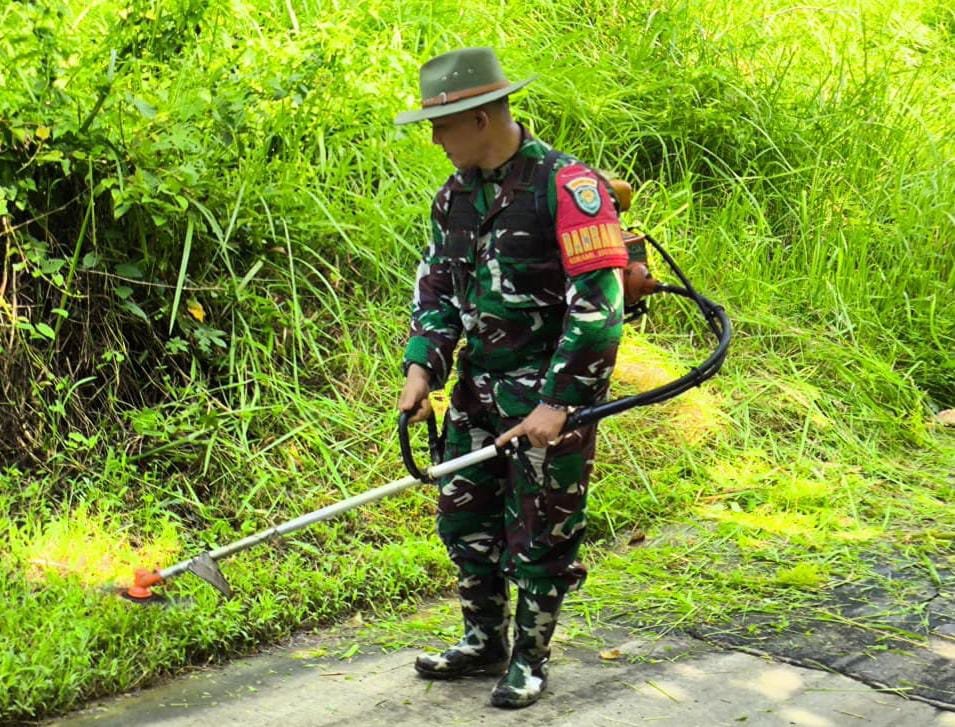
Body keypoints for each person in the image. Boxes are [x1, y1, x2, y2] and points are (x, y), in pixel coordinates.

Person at [395, 47, 626, 709]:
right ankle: (482, 640)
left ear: (480, 118)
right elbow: (437, 292)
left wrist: (560, 402)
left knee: (540, 531)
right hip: (477, 390)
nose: (434, 140)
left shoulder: (568, 189)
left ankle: (528, 658)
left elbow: (597, 305)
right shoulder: (454, 197)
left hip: (549, 400)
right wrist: (421, 370)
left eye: (441, 126)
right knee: (463, 515)